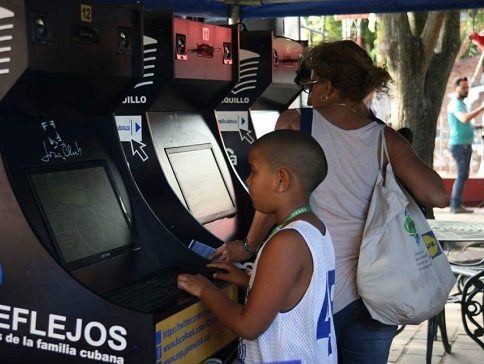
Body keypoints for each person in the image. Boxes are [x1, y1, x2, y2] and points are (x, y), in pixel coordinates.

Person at [212, 40, 449, 364]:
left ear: (328, 85)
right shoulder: (383, 137)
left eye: (311, 85)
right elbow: (438, 194)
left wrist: (249, 247)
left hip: (313, 286)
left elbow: (275, 199)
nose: (309, 94)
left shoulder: (297, 122)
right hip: (375, 290)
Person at [178, 130, 337, 363]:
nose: (248, 180)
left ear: (281, 180)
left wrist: (205, 290)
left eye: (254, 171)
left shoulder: (286, 242)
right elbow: (296, 293)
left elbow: (249, 326)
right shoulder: (315, 229)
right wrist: (248, 280)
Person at [447, 76, 484, 213]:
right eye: (463, 87)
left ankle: (457, 204)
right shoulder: (455, 103)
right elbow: (464, 119)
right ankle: (455, 205)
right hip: (459, 145)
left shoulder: (462, 104)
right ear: (456, 88)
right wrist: (480, 108)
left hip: (465, 144)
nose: (466, 90)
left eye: (467, 87)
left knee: (463, 175)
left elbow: (467, 122)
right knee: (462, 175)